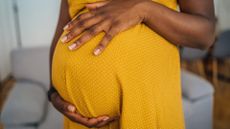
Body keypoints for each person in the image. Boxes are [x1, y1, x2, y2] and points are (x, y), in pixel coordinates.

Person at [48, 0, 216, 128]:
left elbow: (205, 34)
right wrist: (53, 90)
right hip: (79, 121)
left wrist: (144, 9)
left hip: (145, 111)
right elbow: (62, 28)